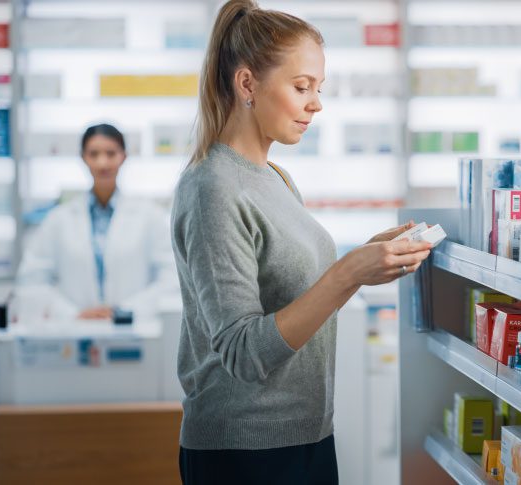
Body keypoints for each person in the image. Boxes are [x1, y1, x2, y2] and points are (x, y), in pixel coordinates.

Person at [171, 1, 432, 483]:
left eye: (318, 88)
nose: (316, 103)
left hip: (305, 437)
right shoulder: (212, 188)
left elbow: (294, 296)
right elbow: (243, 352)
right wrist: (349, 272)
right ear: (247, 84)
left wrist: (369, 260)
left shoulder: (275, 177)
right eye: (301, 86)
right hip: (245, 452)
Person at [16, 123, 178, 321]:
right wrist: (72, 313)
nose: (102, 163)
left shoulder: (150, 217)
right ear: (83, 158)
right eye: (94, 154)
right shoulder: (58, 219)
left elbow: (171, 280)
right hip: (74, 332)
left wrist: (124, 311)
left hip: (133, 333)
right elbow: (33, 281)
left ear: (124, 157)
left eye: (111, 153)